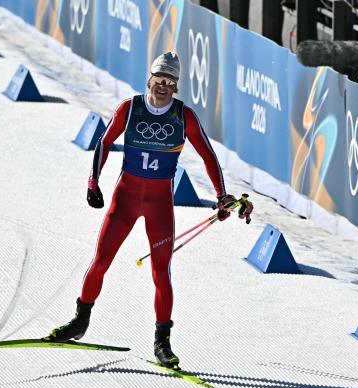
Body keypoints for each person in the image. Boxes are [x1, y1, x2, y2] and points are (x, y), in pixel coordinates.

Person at [44, 52, 253, 367]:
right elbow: (104, 142)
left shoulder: (185, 117)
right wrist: (93, 182)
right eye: (160, 79)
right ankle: (80, 321)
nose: (164, 86)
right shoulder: (130, 109)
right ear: (150, 79)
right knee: (100, 261)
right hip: (125, 200)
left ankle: (162, 343)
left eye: (171, 82)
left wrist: (222, 196)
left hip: (159, 206)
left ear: (176, 86)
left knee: (161, 274)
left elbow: (209, 157)